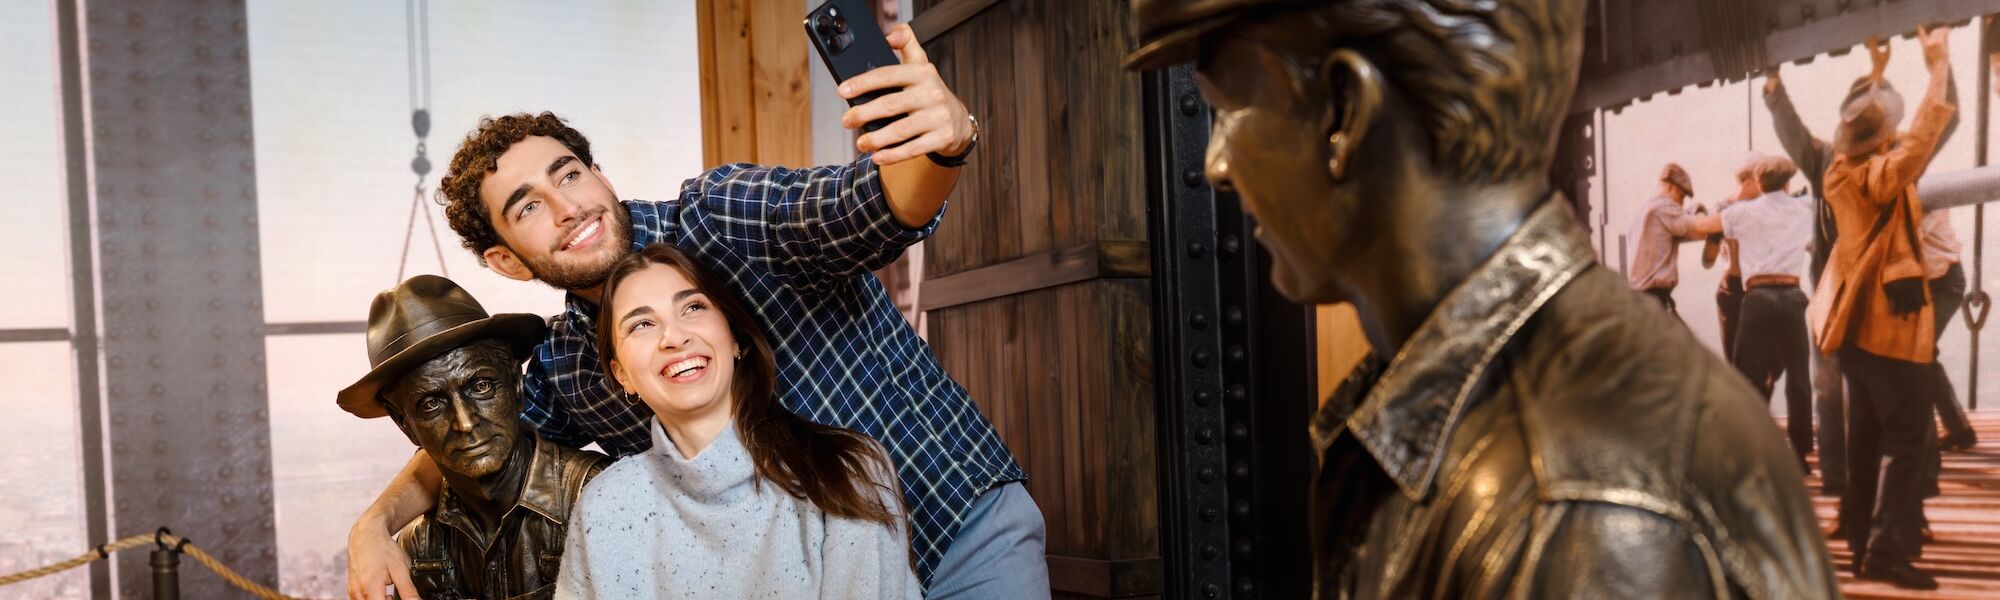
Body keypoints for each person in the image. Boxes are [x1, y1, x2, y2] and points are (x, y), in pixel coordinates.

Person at [1126, 0, 1837, 597]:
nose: (1215, 165)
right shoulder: (1541, 454)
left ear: (1346, 108)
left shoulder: (1570, 510)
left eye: (1228, 107)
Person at [347, 23, 1049, 600]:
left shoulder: (722, 216)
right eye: (528, 206)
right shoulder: (566, 365)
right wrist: (373, 529)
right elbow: (477, 436)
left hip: (955, 523)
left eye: (570, 174)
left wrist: (944, 144)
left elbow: (879, 208)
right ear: (505, 260)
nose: (568, 207)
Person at [554, 244, 919, 599]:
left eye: (693, 307)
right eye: (642, 324)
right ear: (622, 375)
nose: (675, 337)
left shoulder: (847, 470)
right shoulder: (606, 506)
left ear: (733, 339)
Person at [336, 275, 611, 600]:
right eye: (431, 404)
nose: (464, 422)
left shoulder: (603, 503)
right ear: (404, 424)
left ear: (516, 385)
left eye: (480, 387)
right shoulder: (418, 548)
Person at [1817, 25, 1956, 590]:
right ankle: (1886, 554)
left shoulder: (1837, 171)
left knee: (1866, 442)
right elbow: (1918, 144)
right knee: (1905, 443)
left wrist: (1876, 74)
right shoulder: (1878, 176)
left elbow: (1861, 131)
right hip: (1891, 332)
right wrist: (1937, 68)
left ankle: (1858, 544)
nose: (1895, 135)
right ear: (1881, 144)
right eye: (1888, 132)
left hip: (1853, 335)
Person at [1689, 155, 1816, 466]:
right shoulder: (1805, 207)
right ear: (1787, 183)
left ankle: (1752, 451)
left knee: (1748, 377)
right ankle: (1800, 452)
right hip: (1791, 294)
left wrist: (1713, 206)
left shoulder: (1742, 212)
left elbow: (1702, 226)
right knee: (1798, 377)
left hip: (1757, 297)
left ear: (1759, 184)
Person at [1628, 162, 1706, 316]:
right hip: (1655, 298)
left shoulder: (1645, 210)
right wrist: (1700, 211)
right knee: (1681, 340)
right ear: (1671, 187)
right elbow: (1700, 228)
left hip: (1642, 299)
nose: (1681, 203)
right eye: (1681, 196)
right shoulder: (1664, 208)